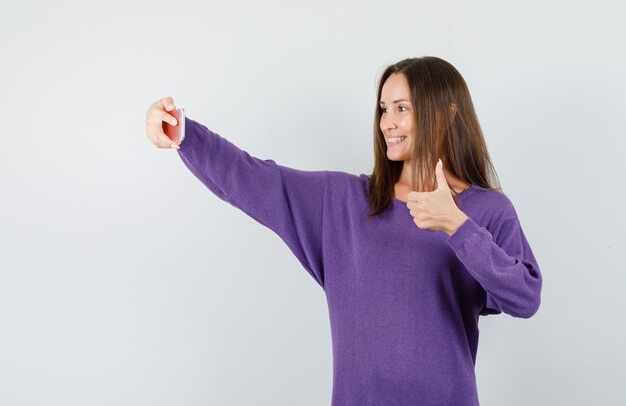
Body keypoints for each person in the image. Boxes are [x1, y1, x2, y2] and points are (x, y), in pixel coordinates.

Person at [144, 56, 543, 406]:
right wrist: (183, 133)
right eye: (384, 109)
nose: (388, 122)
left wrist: (457, 225)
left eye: (402, 108)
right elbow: (251, 178)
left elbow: (524, 298)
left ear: (444, 115)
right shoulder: (343, 202)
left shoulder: (485, 210)